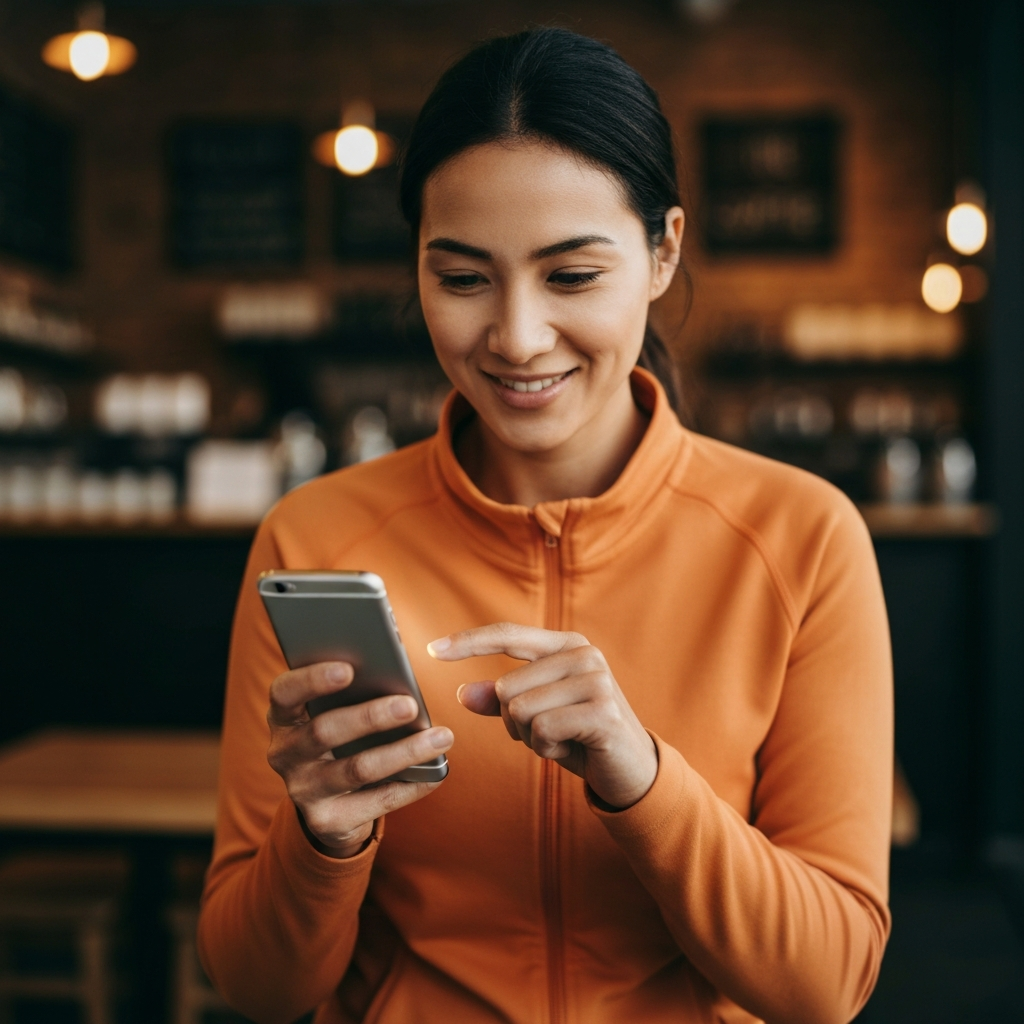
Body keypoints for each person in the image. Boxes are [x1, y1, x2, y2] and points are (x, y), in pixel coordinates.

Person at [198, 27, 892, 1024]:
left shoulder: (802, 537)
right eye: (464, 277)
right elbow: (261, 991)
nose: (517, 337)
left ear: (662, 253)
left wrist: (642, 779)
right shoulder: (313, 539)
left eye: (571, 276)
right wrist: (324, 840)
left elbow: (825, 984)